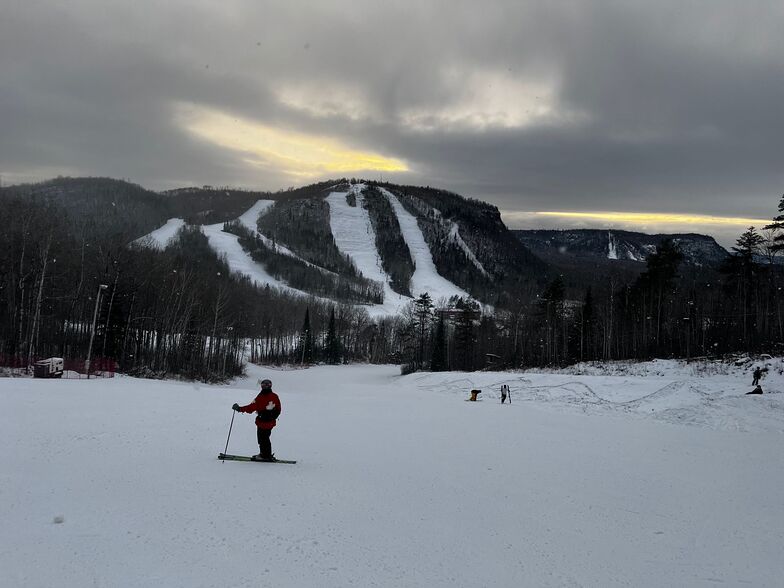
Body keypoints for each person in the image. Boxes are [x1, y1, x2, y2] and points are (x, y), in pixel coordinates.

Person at [232, 378, 282, 461]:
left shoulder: (271, 396)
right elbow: (251, 407)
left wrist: (240, 409)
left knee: (263, 439)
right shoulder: (264, 396)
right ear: (262, 386)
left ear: (270, 386)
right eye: (264, 384)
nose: (265, 386)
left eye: (267, 385)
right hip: (265, 422)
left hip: (265, 422)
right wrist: (240, 409)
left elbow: (278, 409)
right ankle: (264, 454)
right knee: (263, 438)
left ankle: (266, 455)